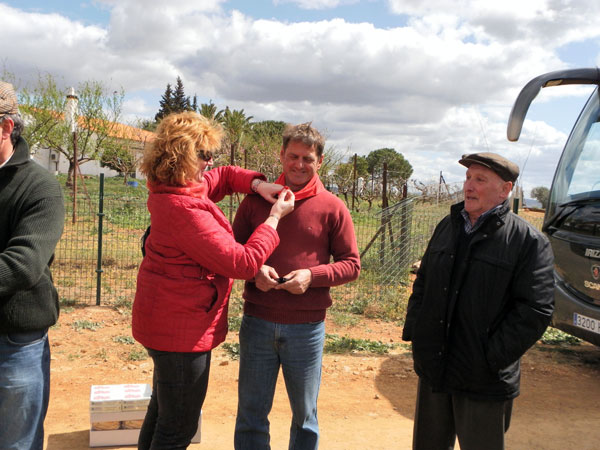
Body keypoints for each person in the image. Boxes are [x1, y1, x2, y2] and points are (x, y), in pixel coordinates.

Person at [132, 111, 295, 449]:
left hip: (169, 322)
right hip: (181, 332)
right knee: (177, 427)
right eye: (203, 155)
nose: (209, 162)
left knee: (162, 412)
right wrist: (274, 219)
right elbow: (243, 262)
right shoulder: (184, 209)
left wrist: (256, 183)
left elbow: (220, 178)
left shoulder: (174, 187)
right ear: (184, 156)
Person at [402, 152, 555, 450]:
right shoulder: (447, 227)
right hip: (435, 367)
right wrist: (418, 335)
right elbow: (423, 285)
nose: (469, 186)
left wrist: (490, 357)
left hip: (484, 380)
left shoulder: (528, 243)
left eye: (480, 180)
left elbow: (535, 311)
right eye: (468, 178)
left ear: (505, 189)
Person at [233, 122, 360, 450]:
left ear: (319, 161)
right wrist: (254, 270)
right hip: (257, 322)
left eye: (308, 158)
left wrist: (312, 276)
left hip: (306, 327)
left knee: (305, 415)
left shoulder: (332, 207)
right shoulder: (255, 202)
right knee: (251, 413)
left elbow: (352, 264)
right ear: (281, 156)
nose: (299, 164)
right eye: (293, 156)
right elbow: (232, 254)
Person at [0, 81, 65, 449]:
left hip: (14, 342)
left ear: (7, 127)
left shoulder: (39, 186)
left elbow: (23, 264)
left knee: (14, 442)